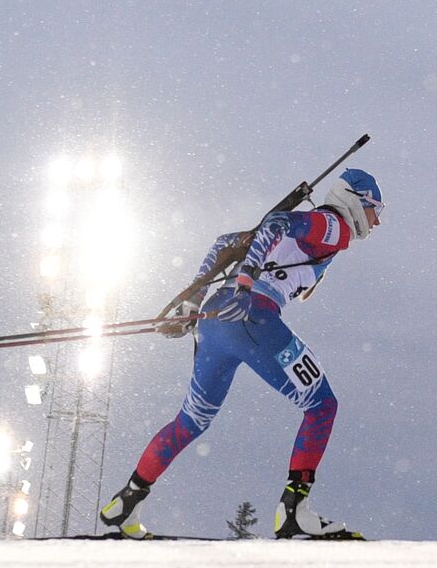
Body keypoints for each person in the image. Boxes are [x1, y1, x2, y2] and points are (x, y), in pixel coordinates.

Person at [99, 168, 383, 540]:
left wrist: (194, 300)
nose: (377, 221)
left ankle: (126, 504)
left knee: (191, 421)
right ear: (356, 200)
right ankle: (294, 512)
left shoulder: (328, 229)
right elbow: (279, 222)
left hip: (217, 321)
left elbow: (223, 244)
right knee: (321, 405)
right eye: (376, 209)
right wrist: (248, 278)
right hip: (253, 316)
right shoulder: (336, 227)